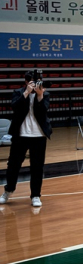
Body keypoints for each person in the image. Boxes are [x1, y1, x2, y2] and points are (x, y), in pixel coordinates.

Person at [0, 71, 52, 207]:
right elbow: (15, 107)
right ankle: (8, 190)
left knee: (37, 167)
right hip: (21, 135)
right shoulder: (18, 92)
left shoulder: (44, 94)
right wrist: (27, 93)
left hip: (39, 135)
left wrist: (39, 95)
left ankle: (35, 195)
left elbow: (43, 111)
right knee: (13, 165)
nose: (37, 84)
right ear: (26, 82)